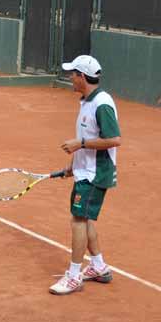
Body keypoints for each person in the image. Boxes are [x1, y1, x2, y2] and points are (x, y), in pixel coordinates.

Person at [49, 55, 121, 295]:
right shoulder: (87, 101)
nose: (70, 77)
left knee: (78, 221)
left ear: (82, 76)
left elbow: (114, 139)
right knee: (85, 218)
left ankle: (73, 276)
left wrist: (79, 144)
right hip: (85, 170)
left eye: (73, 74)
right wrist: (73, 164)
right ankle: (99, 267)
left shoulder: (101, 104)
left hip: (95, 174)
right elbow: (88, 135)